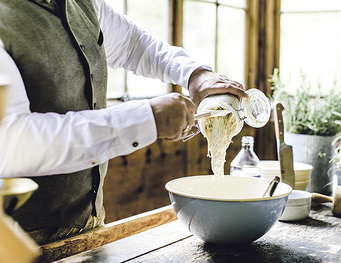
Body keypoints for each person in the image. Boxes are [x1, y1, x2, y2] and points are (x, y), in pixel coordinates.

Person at [0, 0, 247, 245]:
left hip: (90, 224)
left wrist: (194, 74)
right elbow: (12, 140)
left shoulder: (84, 3)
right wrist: (145, 118)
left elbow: (132, 44)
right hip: (17, 239)